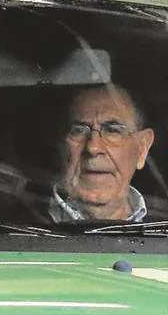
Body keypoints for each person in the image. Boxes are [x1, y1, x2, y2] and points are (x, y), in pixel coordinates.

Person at [49, 84, 156, 224]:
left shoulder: (161, 231)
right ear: (61, 145)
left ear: (142, 148)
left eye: (112, 130)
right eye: (79, 130)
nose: (93, 147)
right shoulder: (17, 227)